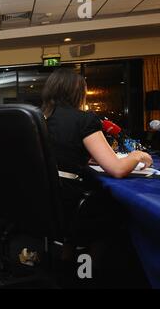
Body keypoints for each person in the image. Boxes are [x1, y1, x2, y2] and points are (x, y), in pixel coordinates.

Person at [41, 68, 153, 279]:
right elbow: (118, 170)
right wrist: (138, 155)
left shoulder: (39, 118)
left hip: (42, 196)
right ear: (78, 92)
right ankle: (90, 273)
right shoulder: (84, 119)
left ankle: (66, 258)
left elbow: (60, 153)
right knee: (112, 207)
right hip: (68, 201)